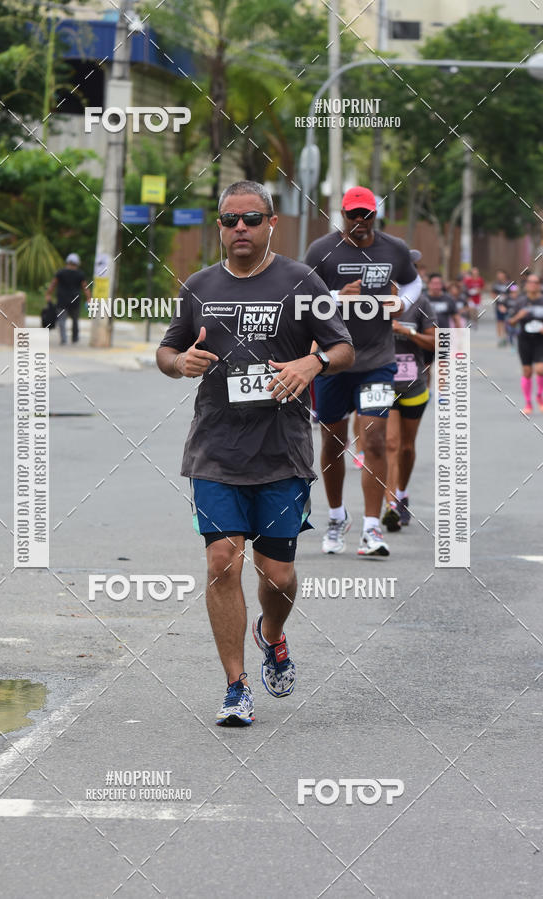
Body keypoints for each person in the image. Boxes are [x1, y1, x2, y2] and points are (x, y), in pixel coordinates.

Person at [156, 180, 354, 726]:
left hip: (281, 451)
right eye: (229, 220)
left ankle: (272, 632)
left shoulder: (302, 281)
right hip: (215, 448)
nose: (240, 228)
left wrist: (313, 363)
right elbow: (167, 350)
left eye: (251, 218)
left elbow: (343, 346)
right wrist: (179, 363)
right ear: (219, 226)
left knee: (278, 576)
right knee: (222, 562)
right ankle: (235, 686)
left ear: (271, 223)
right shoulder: (199, 286)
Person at [304, 186, 422, 557]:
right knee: (333, 443)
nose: (359, 220)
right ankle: (337, 516)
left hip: (377, 363)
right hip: (333, 362)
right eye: (353, 214)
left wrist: (401, 303)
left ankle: (372, 528)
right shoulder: (321, 251)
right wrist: (337, 298)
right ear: (342, 215)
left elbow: (413, 281)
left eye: (366, 214)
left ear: (375, 215)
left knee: (374, 440)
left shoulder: (394, 249)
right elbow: (301, 297)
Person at [382, 289, 437, 530]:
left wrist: (407, 332)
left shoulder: (419, 301)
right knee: (391, 444)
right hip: (384, 382)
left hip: (414, 385)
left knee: (406, 447)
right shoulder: (372, 300)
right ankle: (391, 505)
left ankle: (402, 493)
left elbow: (436, 341)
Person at [508, 273, 543, 415]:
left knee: (540, 369)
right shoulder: (520, 302)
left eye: (535, 282)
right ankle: (528, 403)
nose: (532, 285)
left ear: (539, 285)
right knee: (527, 371)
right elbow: (510, 322)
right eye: (530, 282)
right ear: (527, 285)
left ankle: (539, 396)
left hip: (540, 339)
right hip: (525, 339)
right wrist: (518, 316)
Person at [45, 253, 91, 345]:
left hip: (62, 300)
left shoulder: (61, 272)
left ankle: (64, 339)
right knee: (75, 320)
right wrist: (89, 298)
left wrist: (48, 294)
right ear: (77, 263)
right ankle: (75, 338)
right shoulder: (80, 274)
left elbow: (53, 284)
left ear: (67, 262)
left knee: (61, 320)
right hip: (75, 301)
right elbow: (85, 287)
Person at [491, 269, 512, 346]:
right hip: (499, 305)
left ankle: (507, 337)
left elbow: (514, 292)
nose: (500, 276)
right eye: (498, 275)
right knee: (500, 322)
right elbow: (492, 294)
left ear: (505, 275)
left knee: (508, 321)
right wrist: (498, 300)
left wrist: (507, 298)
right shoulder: (496, 284)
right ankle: (500, 338)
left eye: (501, 274)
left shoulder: (510, 283)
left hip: (509, 305)